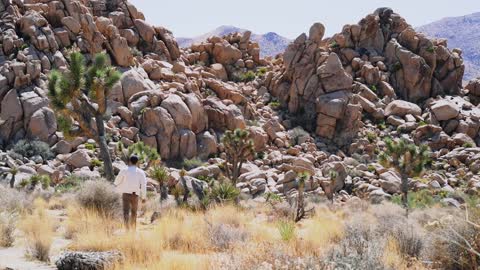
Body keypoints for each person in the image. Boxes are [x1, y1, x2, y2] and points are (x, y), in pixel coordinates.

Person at [114, 155, 147, 230]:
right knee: (134, 212)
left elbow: (116, 182)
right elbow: (143, 185)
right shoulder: (141, 172)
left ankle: (127, 230)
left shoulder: (124, 170)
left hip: (125, 194)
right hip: (135, 195)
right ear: (137, 162)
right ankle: (133, 230)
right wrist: (144, 197)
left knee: (126, 212)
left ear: (129, 161)